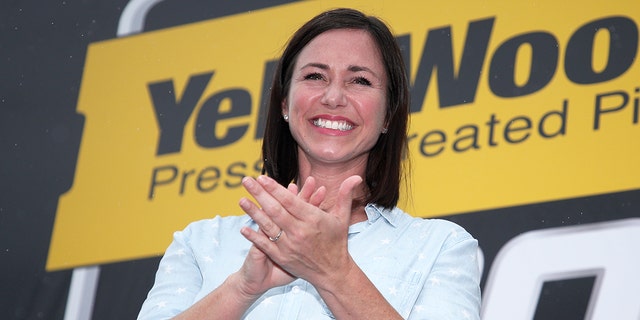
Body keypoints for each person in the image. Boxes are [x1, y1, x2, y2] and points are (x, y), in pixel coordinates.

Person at [138, 8, 481, 320]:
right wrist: (241, 288)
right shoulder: (200, 242)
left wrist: (335, 273)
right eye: (315, 76)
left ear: (388, 114)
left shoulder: (440, 247)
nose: (333, 97)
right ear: (285, 103)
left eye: (359, 80)